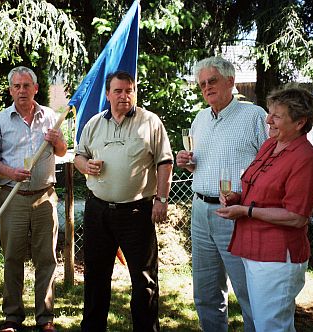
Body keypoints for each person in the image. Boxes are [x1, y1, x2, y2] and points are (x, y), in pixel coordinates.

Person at [216, 87, 313, 332]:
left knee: (272, 326)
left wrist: (246, 211)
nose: (267, 120)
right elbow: (263, 194)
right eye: (269, 113)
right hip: (253, 248)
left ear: (300, 122)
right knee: (264, 322)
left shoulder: (305, 157)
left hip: (277, 257)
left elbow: (296, 216)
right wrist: (238, 198)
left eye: (276, 115)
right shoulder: (269, 146)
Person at [75, 70, 173, 332]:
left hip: (137, 212)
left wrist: (161, 200)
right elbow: (78, 156)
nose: (124, 95)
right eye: (118, 91)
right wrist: (86, 166)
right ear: (107, 95)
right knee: (95, 277)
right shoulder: (94, 123)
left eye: (129, 90)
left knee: (144, 281)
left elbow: (164, 162)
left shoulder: (150, 122)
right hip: (98, 211)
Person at [175, 56, 268, 332]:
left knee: (247, 290)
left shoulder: (255, 116)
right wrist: (188, 162)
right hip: (201, 211)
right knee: (205, 292)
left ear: (231, 81)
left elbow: (271, 166)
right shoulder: (200, 118)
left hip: (237, 215)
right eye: (202, 84)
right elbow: (200, 165)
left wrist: (248, 201)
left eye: (212, 81)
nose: (206, 88)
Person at [0, 66, 67, 332]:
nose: (21, 91)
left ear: (35, 89)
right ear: (10, 90)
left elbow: (62, 151)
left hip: (45, 197)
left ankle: (45, 317)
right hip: (13, 197)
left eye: (26, 86)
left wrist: (59, 139)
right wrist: (11, 173)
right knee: (12, 257)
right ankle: (12, 317)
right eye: (16, 86)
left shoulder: (51, 117)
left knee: (46, 259)